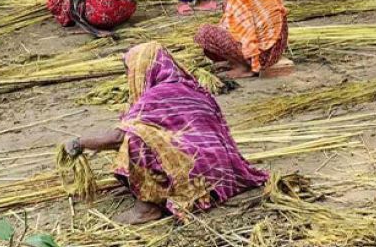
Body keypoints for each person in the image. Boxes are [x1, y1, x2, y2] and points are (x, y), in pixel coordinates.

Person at [61, 42, 268, 224]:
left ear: (143, 68)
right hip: (224, 175)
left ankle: (147, 208)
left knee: (135, 139)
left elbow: (118, 137)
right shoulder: (196, 90)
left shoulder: (156, 95)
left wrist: (80, 142)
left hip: (194, 176)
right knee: (143, 133)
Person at [194, 0, 288, 79]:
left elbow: (248, 35)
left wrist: (254, 60)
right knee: (220, 27)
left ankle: (245, 67)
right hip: (275, 53)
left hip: (259, 57)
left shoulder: (239, 0)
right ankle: (238, 61)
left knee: (204, 33)